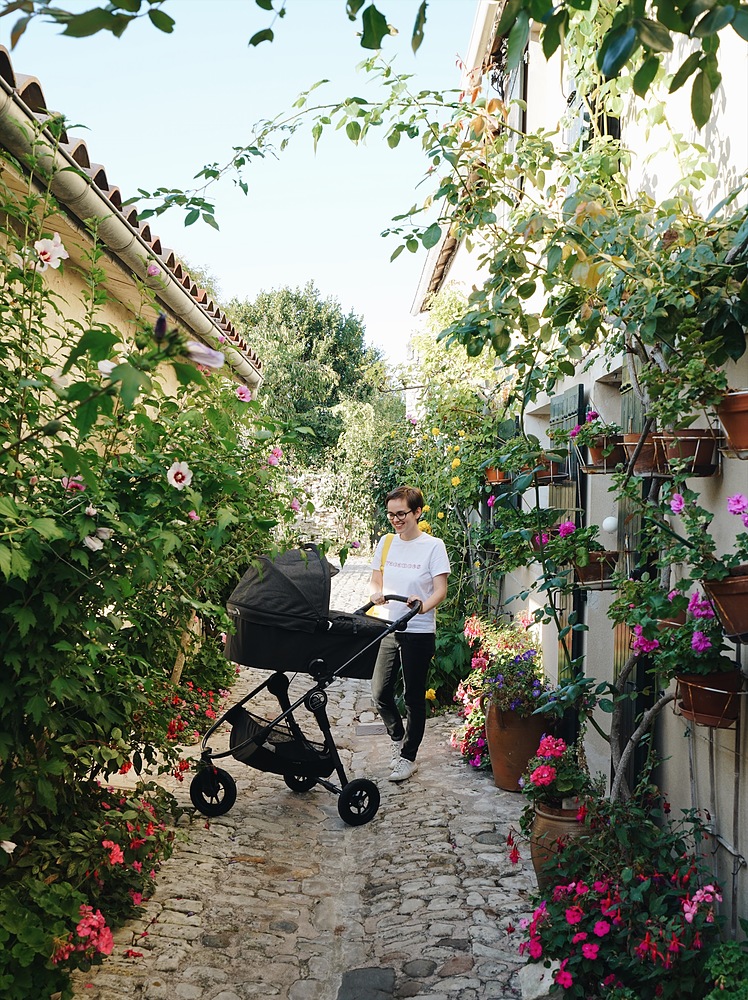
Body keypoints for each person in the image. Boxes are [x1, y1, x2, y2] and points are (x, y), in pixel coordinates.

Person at [368, 485, 450, 782]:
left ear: (417, 512)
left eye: (401, 513)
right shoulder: (386, 543)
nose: (395, 519)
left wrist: (422, 606)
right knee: (379, 692)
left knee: (414, 697)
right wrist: (377, 594)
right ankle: (398, 740)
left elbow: (440, 590)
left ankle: (408, 756)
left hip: (417, 629)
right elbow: (376, 580)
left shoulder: (433, 546)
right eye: (391, 514)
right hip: (388, 626)